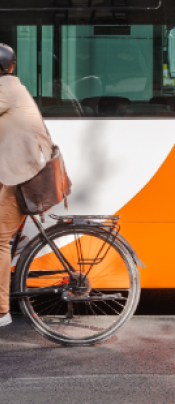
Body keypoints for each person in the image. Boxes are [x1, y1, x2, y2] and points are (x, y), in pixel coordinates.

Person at [0, 44, 53, 327]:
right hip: (17, 170)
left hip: (22, 174)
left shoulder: (5, 88)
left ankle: (1, 311)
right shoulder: (12, 85)